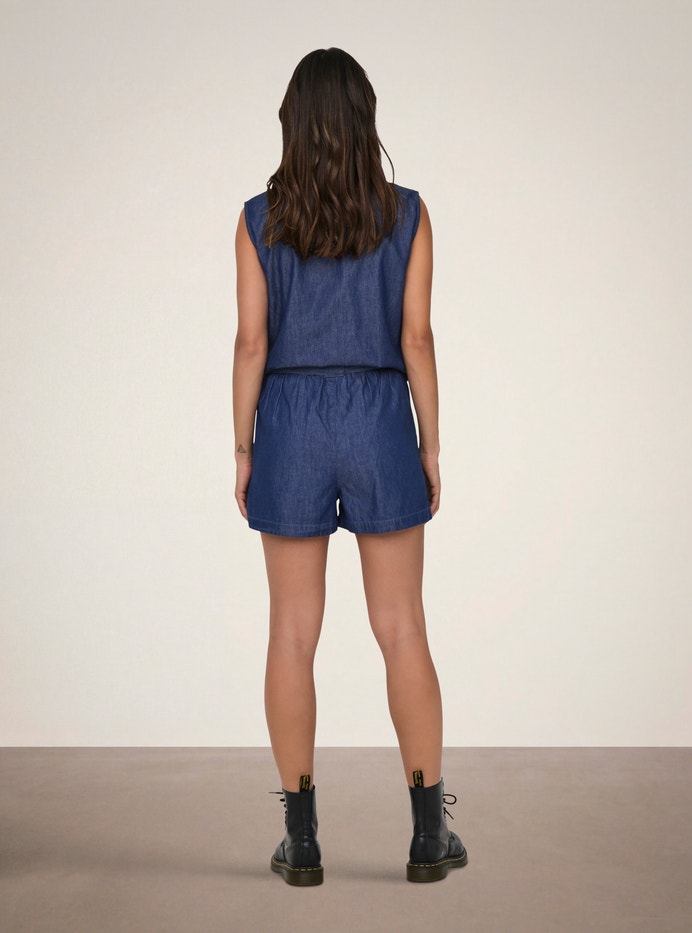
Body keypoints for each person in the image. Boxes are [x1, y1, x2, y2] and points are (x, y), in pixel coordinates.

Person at [232, 47, 467, 886]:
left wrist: (244, 445)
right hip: (377, 415)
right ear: (366, 119)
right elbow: (417, 338)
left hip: (291, 417)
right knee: (402, 625)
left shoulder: (258, 219)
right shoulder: (408, 214)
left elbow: (252, 342)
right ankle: (428, 835)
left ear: (292, 123)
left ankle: (301, 841)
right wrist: (429, 442)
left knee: (292, 633)